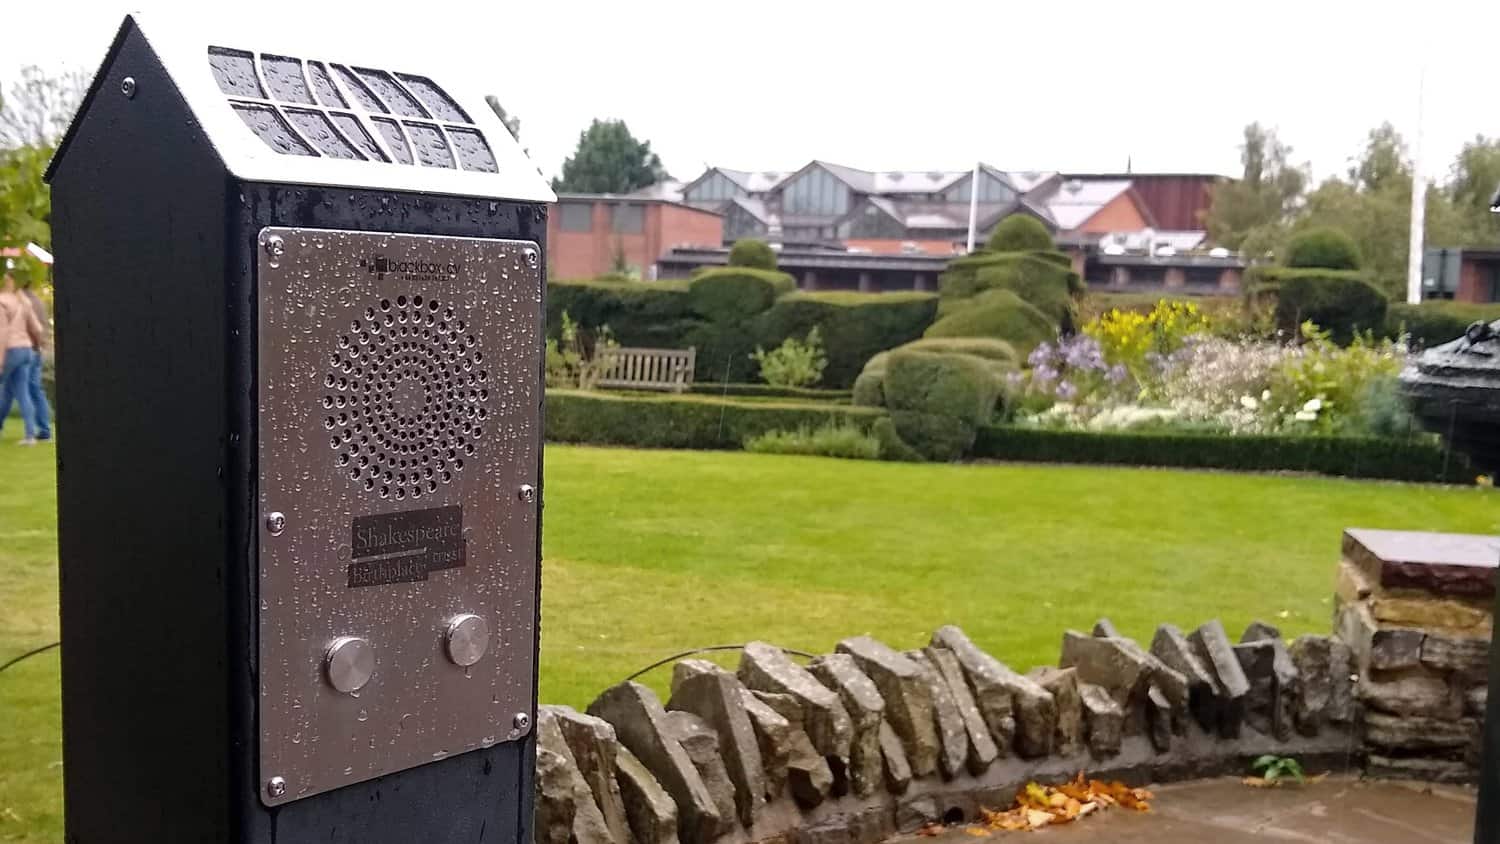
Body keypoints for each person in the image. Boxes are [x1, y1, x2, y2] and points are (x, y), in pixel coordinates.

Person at [0, 265, 46, 445]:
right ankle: (29, 435)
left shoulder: (3, 301)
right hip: (27, 349)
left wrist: (1, 360)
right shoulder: (23, 302)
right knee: (22, 392)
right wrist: (38, 345)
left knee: (12, 390)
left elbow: (2, 333)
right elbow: (38, 328)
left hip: (11, 349)